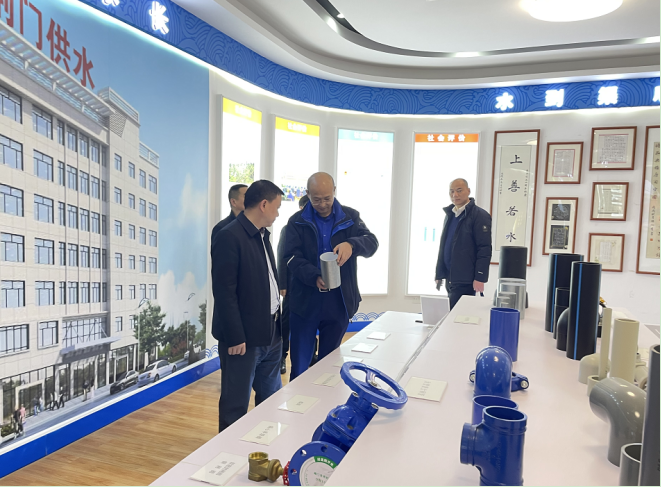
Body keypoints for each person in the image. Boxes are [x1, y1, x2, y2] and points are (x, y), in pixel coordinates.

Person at [285, 172, 378, 381]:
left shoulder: (350, 217)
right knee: (300, 368)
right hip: (305, 301)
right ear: (307, 194)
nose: (323, 204)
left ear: (334, 191)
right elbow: (290, 257)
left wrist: (352, 244)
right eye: (316, 199)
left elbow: (372, 243)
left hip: (339, 300)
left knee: (329, 366)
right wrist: (314, 276)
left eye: (327, 198)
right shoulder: (296, 222)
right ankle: (297, 400)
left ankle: (325, 402)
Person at [211, 179, 284, 432]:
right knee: (235, 406)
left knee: (271, 400)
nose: (277, 213)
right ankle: (229, 453)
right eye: (276, 207)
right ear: (264, 205)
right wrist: (235, 336)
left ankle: (265, 447)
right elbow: (224, 292)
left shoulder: (262, 235)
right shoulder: (228, 236)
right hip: (243, 339)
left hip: (271, 332)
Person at [435, 178, 492, 309]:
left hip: (466, 278)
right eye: (452, 191)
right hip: (451, 276)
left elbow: (484, 248)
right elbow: (444, 245)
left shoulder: (480, 215)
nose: (455, 195)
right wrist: (439, 273)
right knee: (452, 313)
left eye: (459, 190)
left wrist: (480, 277)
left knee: (459, 314)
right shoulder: (450, 214)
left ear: (468, 191)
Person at [277, 194, 311, 375]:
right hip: (291, 286)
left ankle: (312, 355)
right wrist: (282, 283)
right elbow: (282, 257)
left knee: (311, 320)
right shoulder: (289, 228)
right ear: (301, 209)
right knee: (286, 322)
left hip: (311, 286)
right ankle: (282, 356)